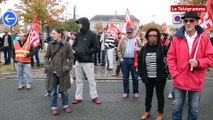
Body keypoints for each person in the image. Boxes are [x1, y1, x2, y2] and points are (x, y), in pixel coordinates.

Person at [167, 12, 213, 120]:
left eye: (191, 20)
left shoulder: (204, 38)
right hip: (180, 79)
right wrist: (174, 74)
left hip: (196, 80)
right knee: (177, 107)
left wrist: (198, 62)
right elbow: (170, 58)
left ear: (196, 22)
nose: (188, 23)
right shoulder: (176, 39)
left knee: (194, 109)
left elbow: (210, 58)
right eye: (185, 21)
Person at [138, 28, 168, 120]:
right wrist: (142, 75)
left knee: (160, 96)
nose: (152, 37)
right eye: (151, 35)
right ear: (147, 37)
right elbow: (140, 63)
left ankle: (159, 114)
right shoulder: (143, 49)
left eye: (155, 36)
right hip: (148, 77)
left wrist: (165, 74)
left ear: (158, 37)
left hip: (160, 77)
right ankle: (147, 111)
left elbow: (169, 61)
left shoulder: (163, 48)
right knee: (148, 95)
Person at [44, 28, 73, 116]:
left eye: (54, 33)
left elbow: (71, 57)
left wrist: (68, 66)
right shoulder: (50, 44)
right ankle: (54, 107)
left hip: (63, 72)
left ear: (60, 34)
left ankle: (65, 105)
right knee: (53, 91)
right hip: (52, 71)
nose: (52, 35)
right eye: (52, 34)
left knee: (63, 90)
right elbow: (46, 57)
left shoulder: (67, 45)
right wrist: (47, 65)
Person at [72, 17, 101, 104]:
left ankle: (94, 96)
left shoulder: (92, 35)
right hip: (78, 61)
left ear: (84, 24)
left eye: (79, 23)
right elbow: (74, 45)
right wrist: (77, 51)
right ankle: (78, 97)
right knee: (78, 80)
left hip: (88, 62)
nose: (78, 25)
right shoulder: (78, 34)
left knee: (91, 80)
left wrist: (86, 52)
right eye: (77, 23)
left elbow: (97, 48)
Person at [118, 27, 142, 98]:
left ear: (133, 32)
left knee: (135, 77)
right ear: (126, 32)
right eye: (128, 32)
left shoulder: (137, 39)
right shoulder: (123, 39)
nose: (129, 34)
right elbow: (118, 50)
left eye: (130, 32)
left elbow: (142, 47)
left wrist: (138, 49)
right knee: (125, 78)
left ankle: (136, 91)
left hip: (134, 61)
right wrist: (121, 58)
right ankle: (126, 92)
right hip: (124, 61)